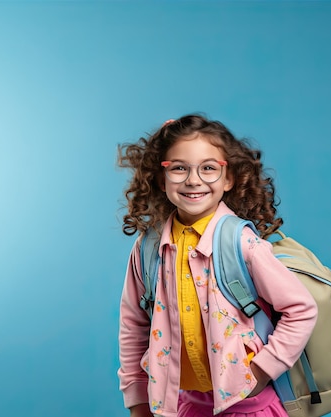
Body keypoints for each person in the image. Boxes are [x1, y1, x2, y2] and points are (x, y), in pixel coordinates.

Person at [116, 114, 318, 417]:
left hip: (249, 407)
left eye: (209, 168)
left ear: (229, 178)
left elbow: (301, 310)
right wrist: (138, 400)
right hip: (183, 406)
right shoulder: (149, 248)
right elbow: (133, 325)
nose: (193, 180)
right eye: (179, 168)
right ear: (161, 178)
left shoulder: (242, 243)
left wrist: (263, 370)